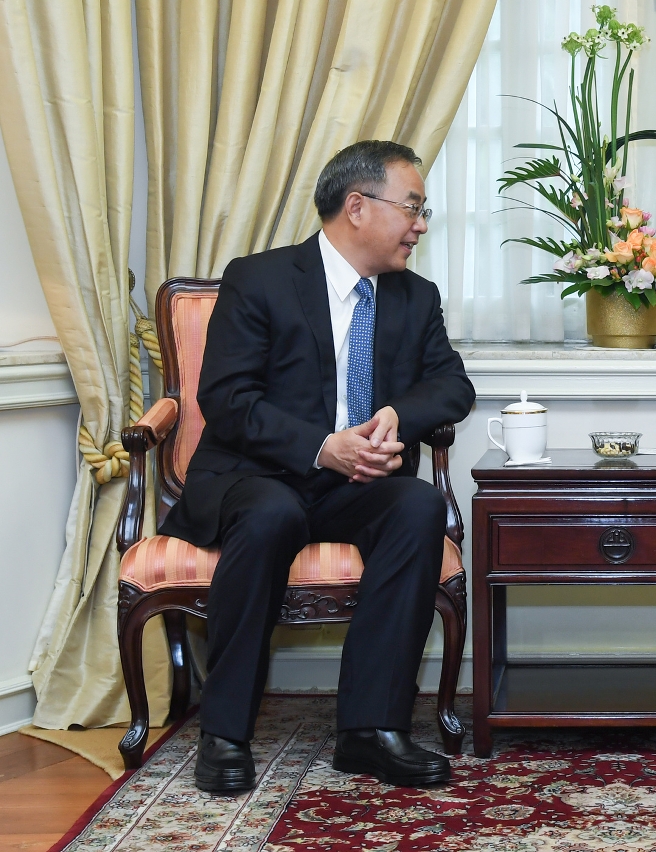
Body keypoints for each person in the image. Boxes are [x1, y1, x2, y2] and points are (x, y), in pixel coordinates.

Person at [159, 140, 475, 794]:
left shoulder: (415, 297)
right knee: (272, 515)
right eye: (412, 207)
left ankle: (370, 731)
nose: (420, 223)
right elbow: (226, 400)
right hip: (258, 477)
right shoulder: (261, 279)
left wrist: (394, 414)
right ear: (357, 207)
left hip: (353, 486)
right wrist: (320, 444)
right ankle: (224, 733)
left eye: (424, 211)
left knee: (416, 506)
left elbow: (451, 388)